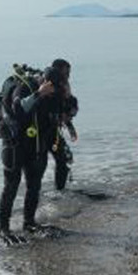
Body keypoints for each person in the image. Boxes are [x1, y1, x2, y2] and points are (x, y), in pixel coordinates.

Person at [0, 64, 63, 245]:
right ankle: (3, 229)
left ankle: (29, 223)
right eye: (53, 88)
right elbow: (18, 108)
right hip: (14, 145)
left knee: (34, 185)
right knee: (11, 186)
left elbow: (61, 113)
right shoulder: (24, 87)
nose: (53, 92)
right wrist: (39, 93)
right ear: (46, 82)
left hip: (34, 146)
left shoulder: (54, 94)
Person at [49, 59, 79, 190]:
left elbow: (65, 111)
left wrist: (71, 128)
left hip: (51, 130)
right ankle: (58, 191)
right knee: (61, 159)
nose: (68, 76)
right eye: (66, 73)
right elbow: (61, 110)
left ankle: (60, 190)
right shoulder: (49, 87)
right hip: (43, 131)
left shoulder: (62, 86)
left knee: (64, 159)